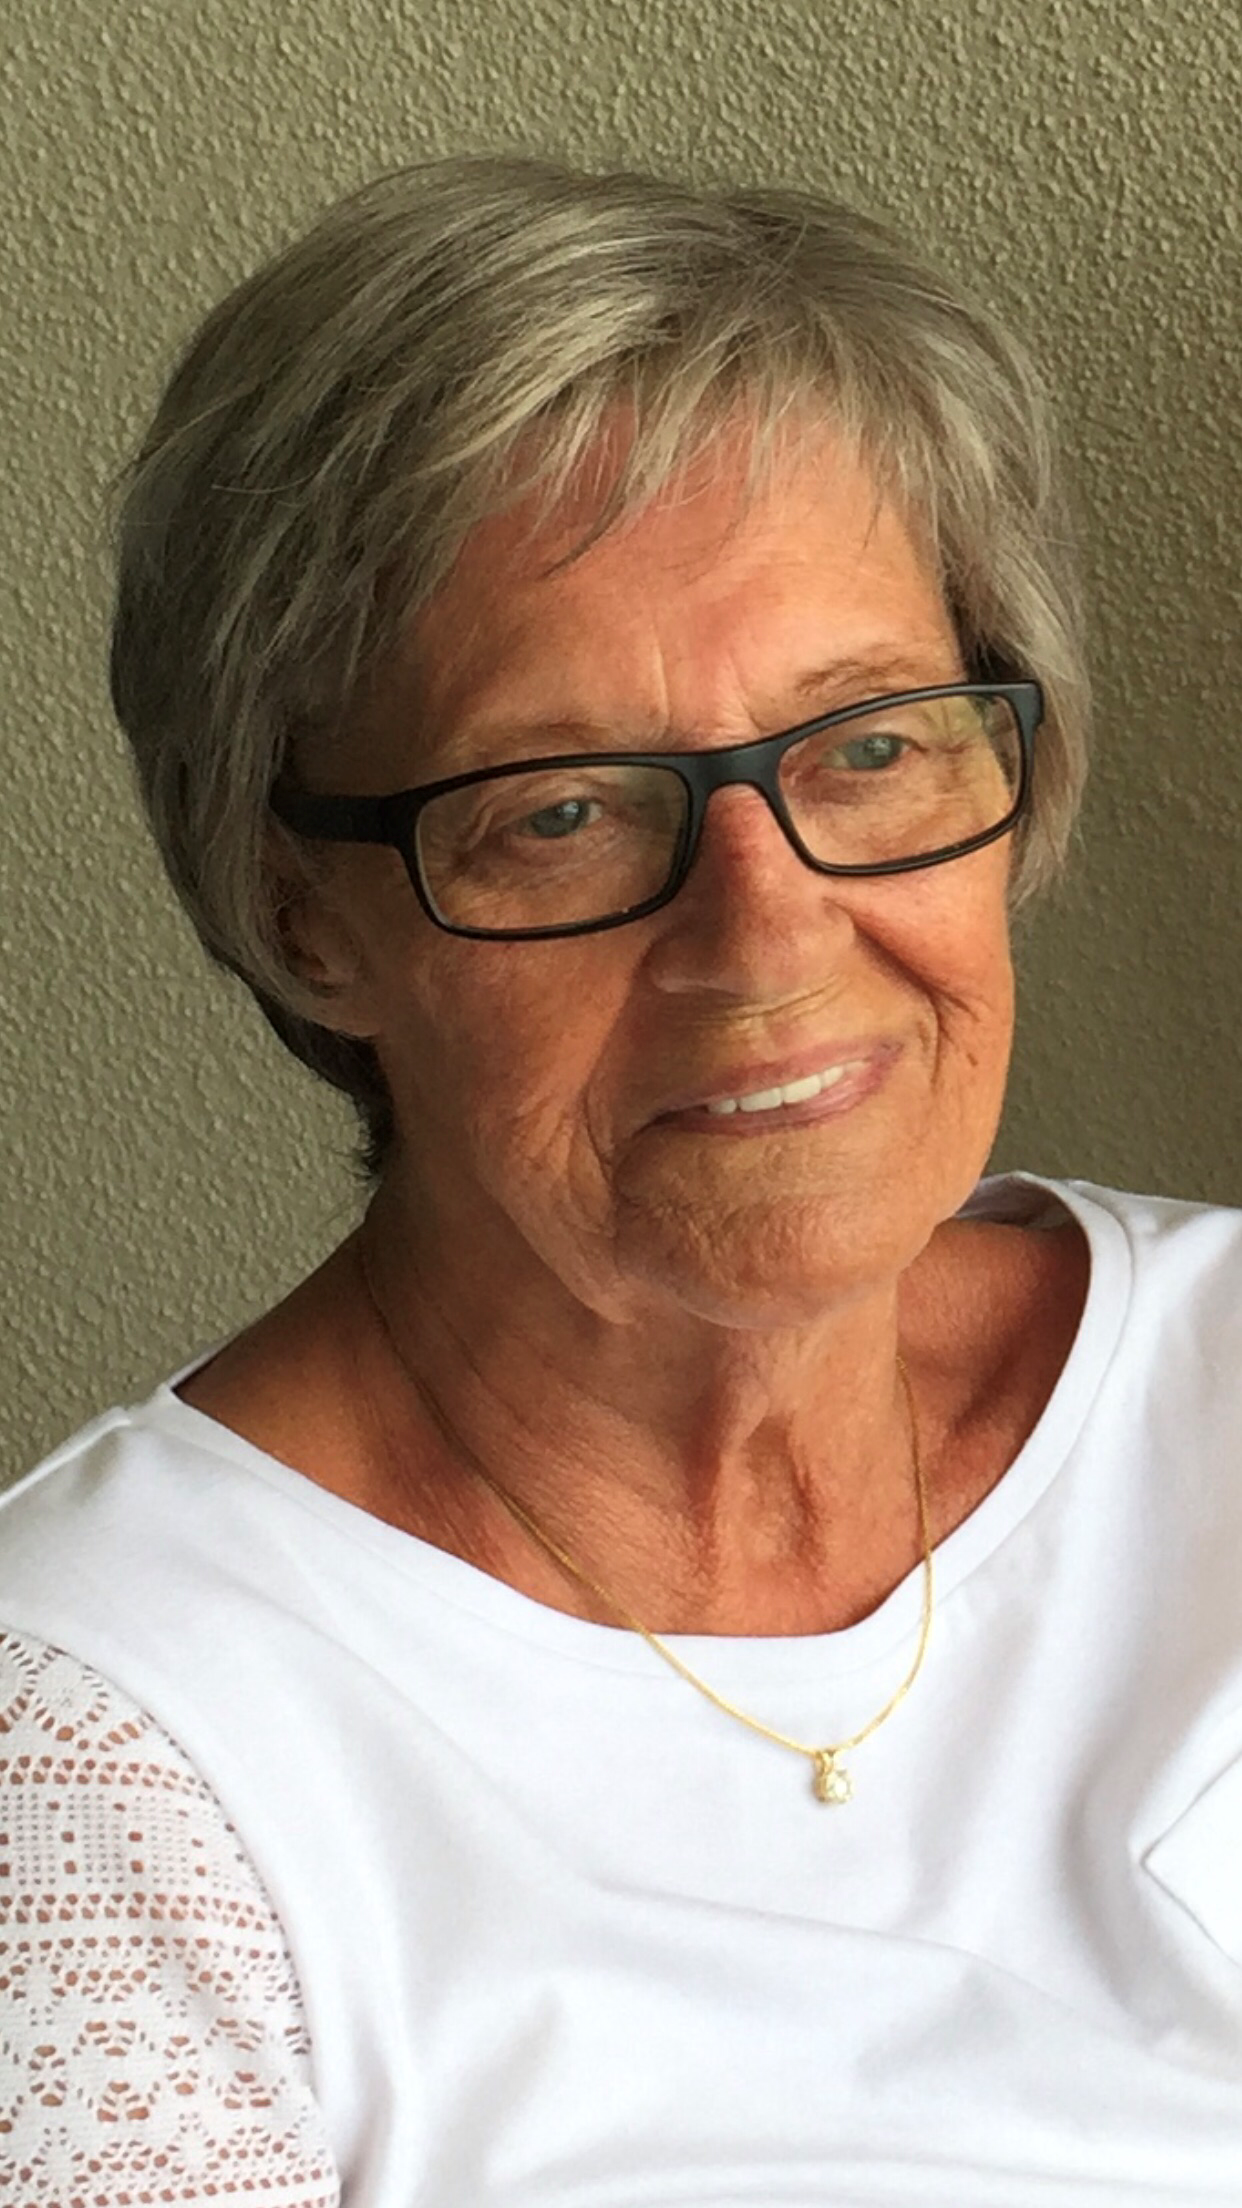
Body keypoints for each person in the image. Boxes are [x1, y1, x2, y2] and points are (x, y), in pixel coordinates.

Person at [2, 154, 1240, 2208]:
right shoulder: (99, 1757)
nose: (764, 940)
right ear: (304, 915)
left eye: (871, 747)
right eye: (562, 809)